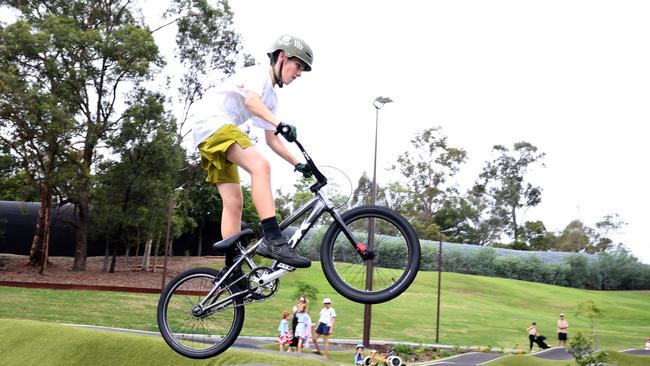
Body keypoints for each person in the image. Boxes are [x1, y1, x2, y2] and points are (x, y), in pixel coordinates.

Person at [192, 34, 315, 271]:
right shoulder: (258, 74)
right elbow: (251, 102)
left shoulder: (272, 98)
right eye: (297, 65)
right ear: (282, 57)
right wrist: (281, 124)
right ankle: (273, 238)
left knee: (234, 202)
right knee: (261, 167)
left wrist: (297, 164)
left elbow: (272, 140)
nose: (298, 73)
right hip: (213, 122)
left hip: (208, 135)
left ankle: (231, 270)